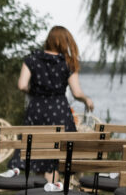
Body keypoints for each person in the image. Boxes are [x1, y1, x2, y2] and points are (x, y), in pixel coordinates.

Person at [16, 26, 94, 179]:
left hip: (37, 110)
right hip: (59, 111)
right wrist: (86, 99)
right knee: (56, 157)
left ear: (49, 40)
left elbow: (22, 85)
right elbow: (76, 92)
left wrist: (35, 92)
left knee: (38, 154)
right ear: (64, 42)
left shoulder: (31, 59)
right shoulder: (68, 63)